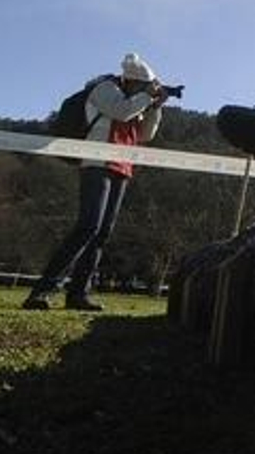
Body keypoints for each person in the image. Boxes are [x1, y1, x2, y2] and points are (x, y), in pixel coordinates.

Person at [23, 53, 168, 312]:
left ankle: (78, 293)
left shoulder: (137, 101)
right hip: (97, 164)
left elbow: (145, 135)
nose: (146, 90)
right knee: (88, 226)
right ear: (131, 81)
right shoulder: (105, 89)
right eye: (143, 86)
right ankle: (43, 290)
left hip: (122, 167)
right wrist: (147, 97)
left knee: (102, 234)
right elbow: (121, 112)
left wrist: (155, 107)